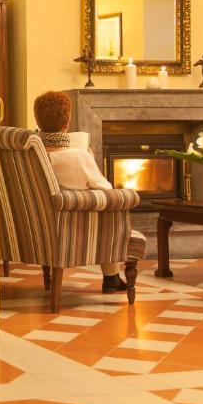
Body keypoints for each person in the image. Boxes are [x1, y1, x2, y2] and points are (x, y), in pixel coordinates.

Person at [33, 91, 127, 293]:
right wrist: (89, 158)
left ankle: (112, 278)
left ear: (38, 122)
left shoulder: (29, 155)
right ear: (67, 122)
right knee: (111, 207)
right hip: (75, 227)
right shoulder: (78, 156)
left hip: (38, 225)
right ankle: (112, 277)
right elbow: (106, 189)